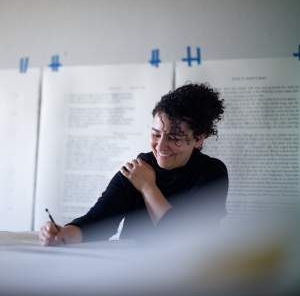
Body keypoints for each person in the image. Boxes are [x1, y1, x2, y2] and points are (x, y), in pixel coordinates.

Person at [39, 83, 228, 246]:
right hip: (131, 270)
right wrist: (64, 234)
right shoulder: (137, 169)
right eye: (155, 134)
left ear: (198, 139)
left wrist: (147, 187)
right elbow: (98, 222)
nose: (160, 146)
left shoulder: (212, 173)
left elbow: (182, 235)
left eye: (174, 138)